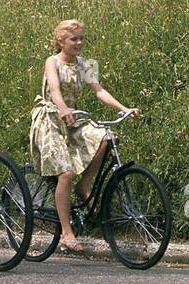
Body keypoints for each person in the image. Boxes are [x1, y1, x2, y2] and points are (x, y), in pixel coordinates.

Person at [29, 19, 136, 253]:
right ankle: (67, 233)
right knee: (65, 173)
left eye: (81, 38)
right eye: (73, 38)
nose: (78, 43)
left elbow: (99, 91)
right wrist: (63, 108)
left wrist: (123, 108)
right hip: (50, 119)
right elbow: (55, 90)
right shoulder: (52, 61)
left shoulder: (86, 64)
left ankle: (84, 184)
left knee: (109, 138)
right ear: (61, 41)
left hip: (73, 119)